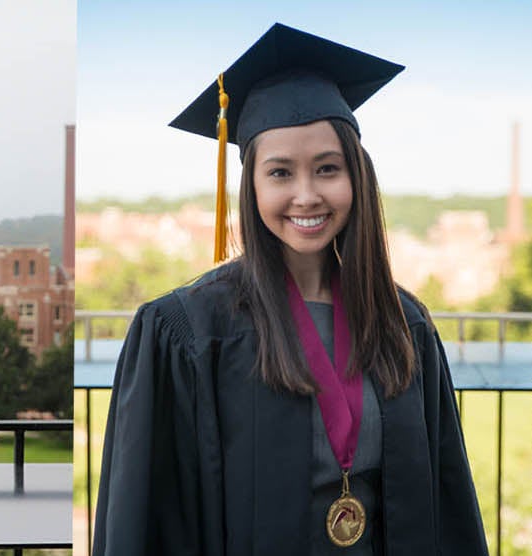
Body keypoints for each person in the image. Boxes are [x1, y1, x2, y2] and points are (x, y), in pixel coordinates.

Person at [91, 24, 487, 555]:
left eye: (327, 169)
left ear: (356, 178)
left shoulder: (403, 324)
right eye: (280, 173)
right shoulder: (187, 332)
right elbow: (150, 523)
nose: (306, 195)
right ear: (251, 186)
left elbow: (448, 511)